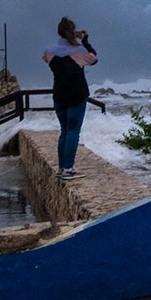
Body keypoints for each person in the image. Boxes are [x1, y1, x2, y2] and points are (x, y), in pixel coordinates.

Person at [43, 17, 98, 180]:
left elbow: (45, 59)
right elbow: (93, 58)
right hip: (77, 95)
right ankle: (68, 169)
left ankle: (61, 168)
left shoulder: (49, 51)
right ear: (72, 32)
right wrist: (85, 40)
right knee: (73, 132)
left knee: (64, 131)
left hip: (59, 95)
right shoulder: (79, 51)